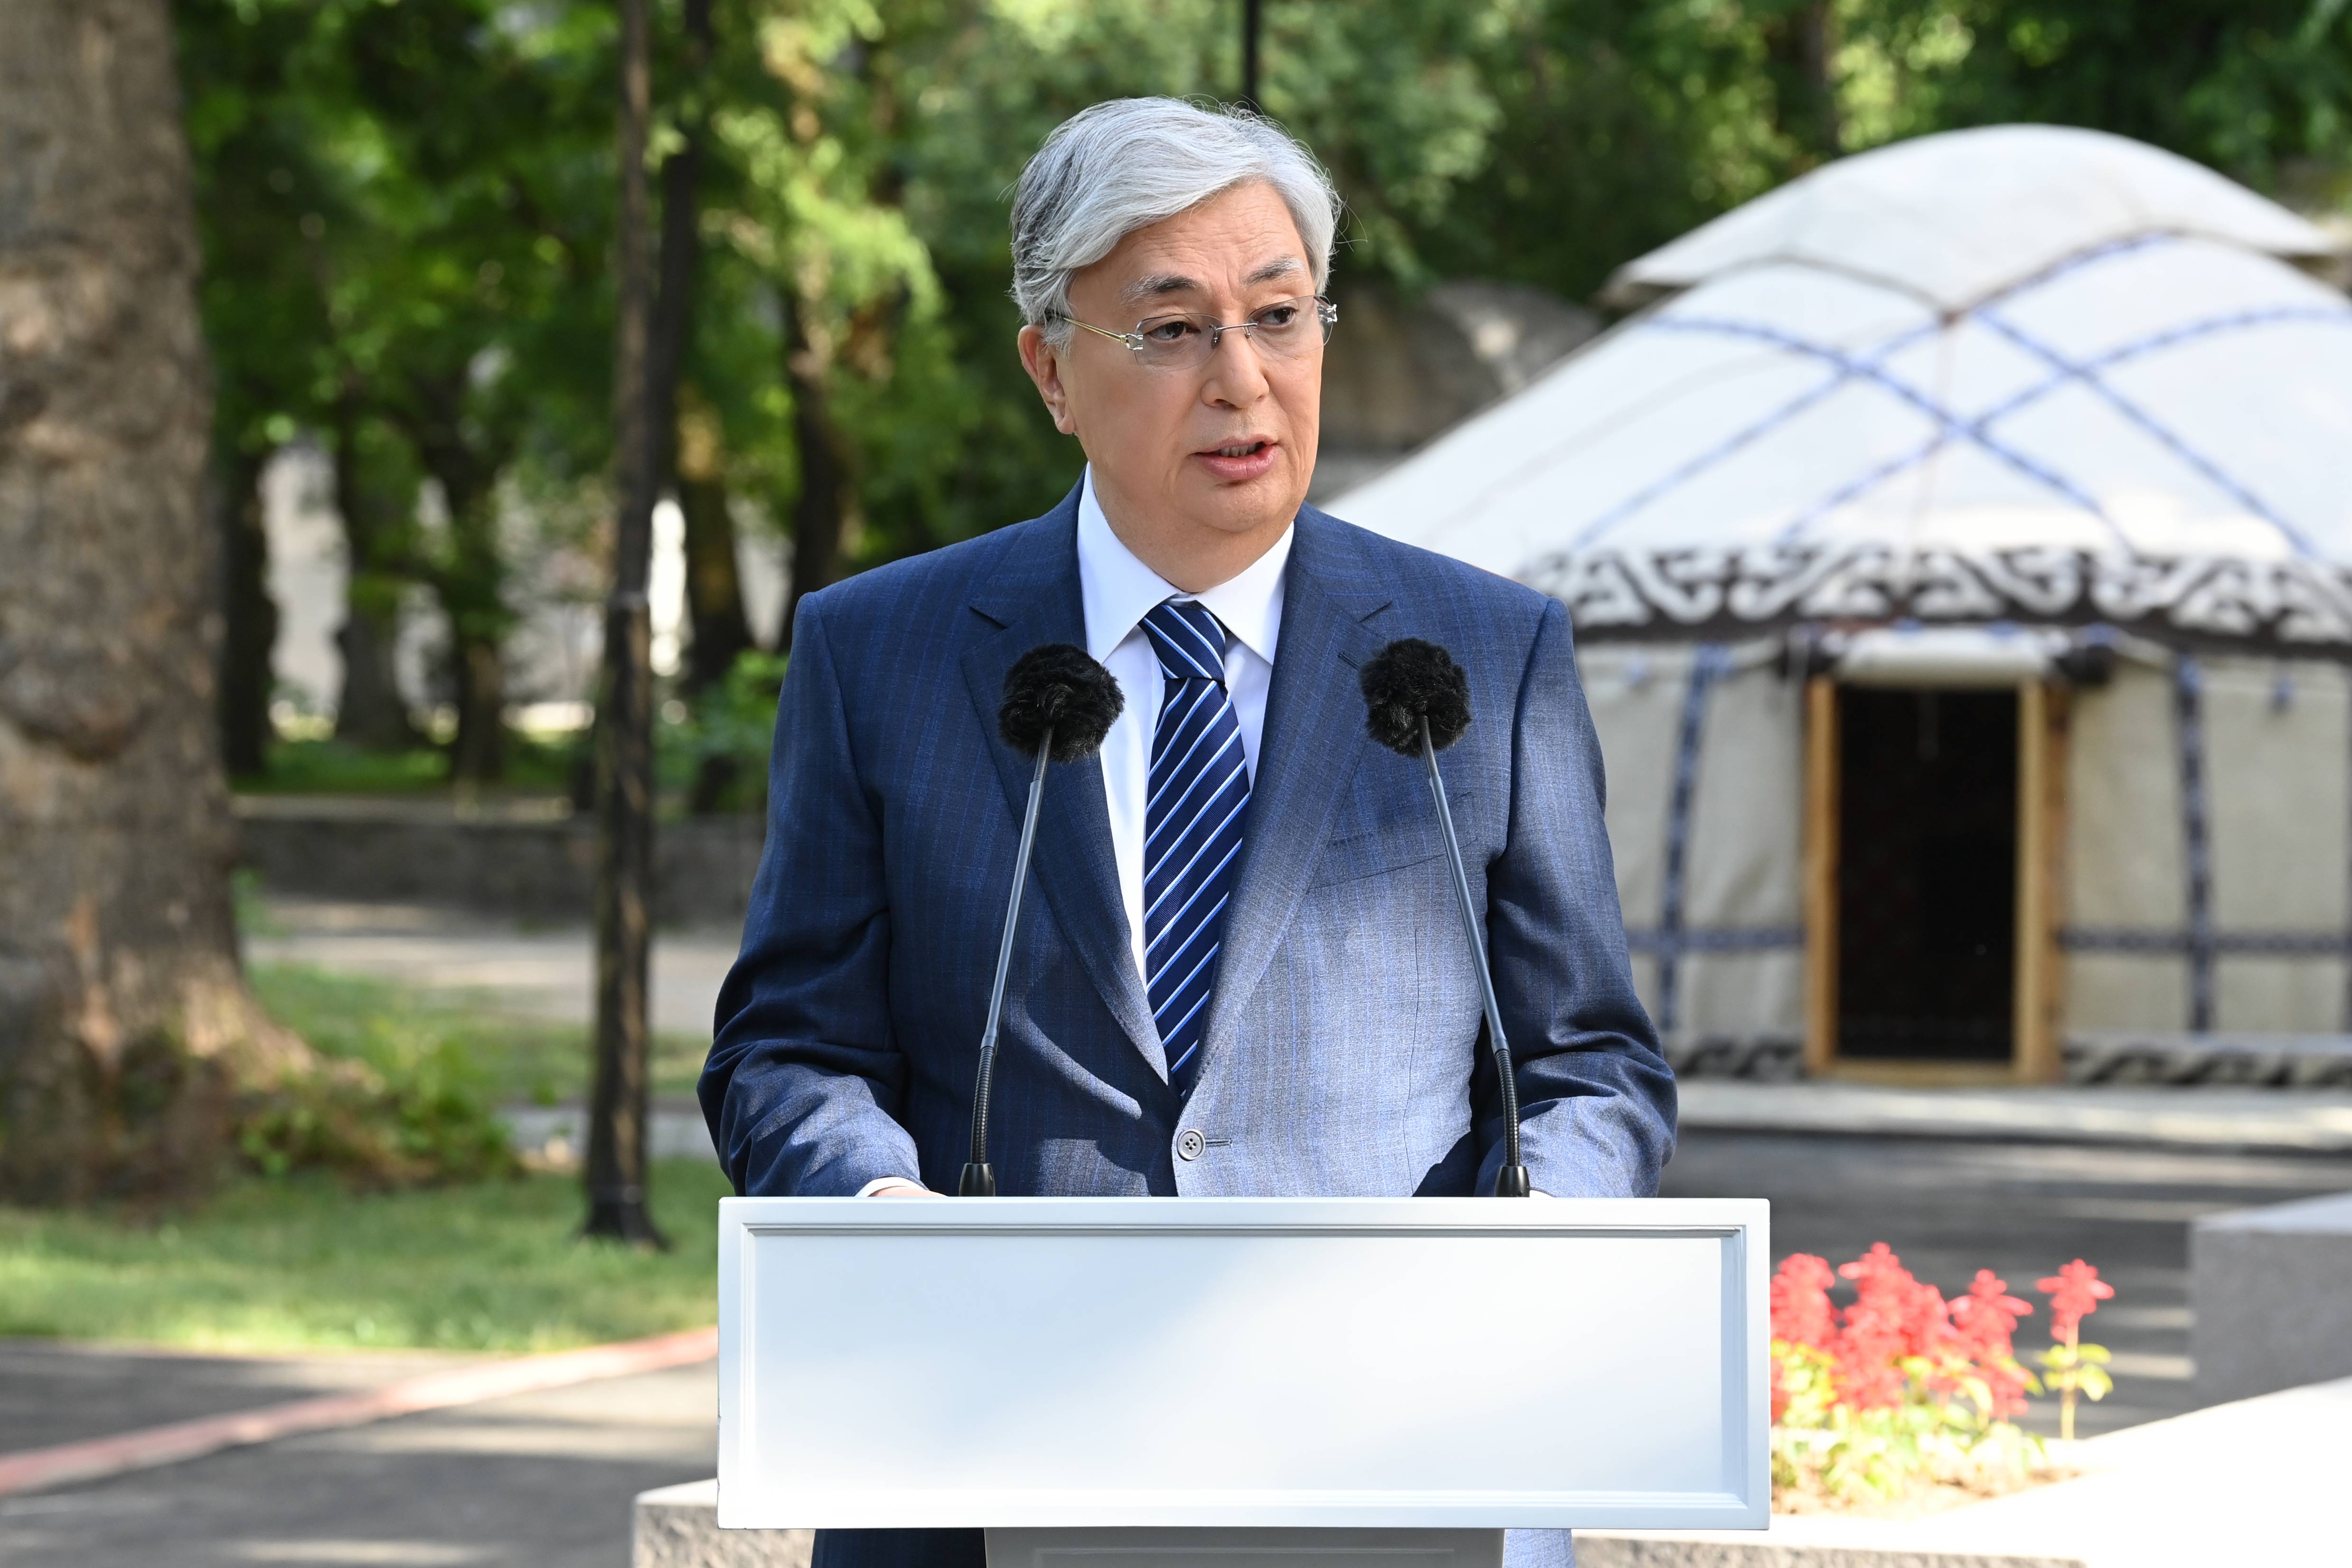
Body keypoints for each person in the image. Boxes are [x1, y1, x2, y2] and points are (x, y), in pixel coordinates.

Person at [701, 97, 1676, 1568]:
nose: (1242, 379)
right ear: (1051, 369)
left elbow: (1589, 1062)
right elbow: (788, 1050)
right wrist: (882, 1215)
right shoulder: (879, 652)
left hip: (1396, 1459)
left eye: (1278, 316)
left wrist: (1541, 1233)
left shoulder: (1486, 652)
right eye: (1171, 330)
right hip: (981, 1458)